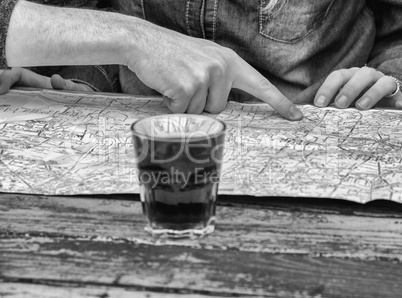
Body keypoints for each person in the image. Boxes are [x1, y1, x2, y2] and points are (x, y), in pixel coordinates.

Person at [0, 0, 401, 116]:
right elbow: (93, 7)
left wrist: (389, 78)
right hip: (144, 135)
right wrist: (85, 85)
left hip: (315, 132)